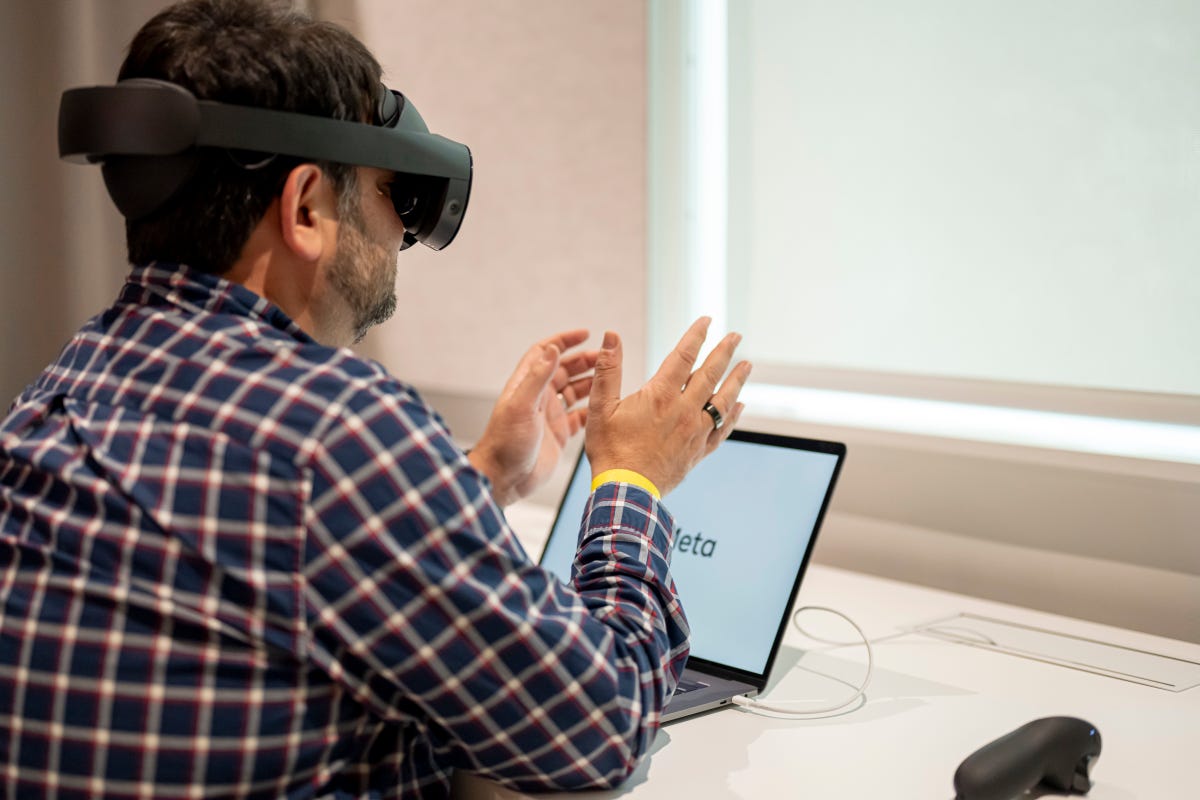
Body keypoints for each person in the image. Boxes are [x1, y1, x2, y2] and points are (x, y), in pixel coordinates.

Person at [0, 1, 751, 797]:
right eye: (396, 194)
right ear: (306, 207)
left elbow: (254, 576)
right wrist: (632, 478)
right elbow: (600, 722)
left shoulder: (60, 389)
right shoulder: (333, 430)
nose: (401, 238)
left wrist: (482, 478)